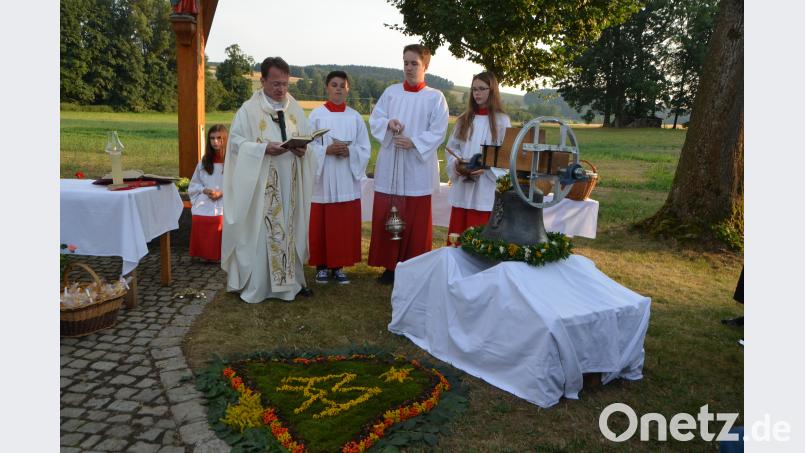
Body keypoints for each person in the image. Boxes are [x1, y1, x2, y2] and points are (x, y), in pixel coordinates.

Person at [221, 57, 317, 303]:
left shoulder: (293, 109)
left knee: (289, 226)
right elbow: (236, 144)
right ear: (262, 80)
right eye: (275, 83)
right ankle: (262, 285)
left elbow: (305, 138)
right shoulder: (248, 110)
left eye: (285, 84)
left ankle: (289, 282)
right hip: (262, 183)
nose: (281, 89)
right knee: (265, 231)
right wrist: (263, 149)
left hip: (291, 182)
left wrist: (302, 150)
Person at [368, 44, 449, 285]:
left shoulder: (435, 97)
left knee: (415, 218)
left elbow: (438, 131)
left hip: (417, 168)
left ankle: (415, 268)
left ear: (426, 66)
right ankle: (390, 268)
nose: (409, 68)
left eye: (414, 63)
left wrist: (414, 142)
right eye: (405, 62)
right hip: (391, 163)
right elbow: (376, 119)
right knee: (390, 215)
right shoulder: (391, 92)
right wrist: (388, 124)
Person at [307, 71, 371, 284]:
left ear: (348, 89)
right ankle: (322, 266)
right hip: (324, 178)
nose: (338, 89)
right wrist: (326, 150)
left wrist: (350, 152)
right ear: (327, 88)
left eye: (342, 85)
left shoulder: (354, 117)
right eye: (334, 85)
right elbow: (307, 145)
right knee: (322, 223)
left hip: (345, 177)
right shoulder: (316, 115)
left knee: (342, 225)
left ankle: (338, 266)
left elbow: (365, 147)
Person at [445, 71, 511, 244]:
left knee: (480, 239)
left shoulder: (502, 121)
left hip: (486, 188)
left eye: (482, 89)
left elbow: (506, 156)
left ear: (492, 91)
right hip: (463, 187)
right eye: (474, 89)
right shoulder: (464, 119)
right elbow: (453, 148)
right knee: (458, 237)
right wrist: (457, 164)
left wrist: (487, 167)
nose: (477, 93)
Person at [188, 124, 228, 261]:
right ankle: (203, 254)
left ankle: (218, 255)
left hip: (226, 198)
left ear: (225, 139)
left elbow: (238, 185)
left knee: (219, 219)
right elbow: (194, 184)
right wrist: (204, 190)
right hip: (206, 197)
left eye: (219, 138)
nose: (215, 142)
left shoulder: (232, 161)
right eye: (212, 138)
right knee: (199, 216)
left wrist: (221, 193)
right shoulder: (204, 162)